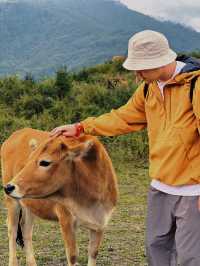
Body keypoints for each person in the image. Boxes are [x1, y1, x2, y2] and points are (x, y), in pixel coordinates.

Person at [50, 30, 200, 266]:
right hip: (160, 185)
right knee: (156, 248)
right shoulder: (149, 88)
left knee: (190, 257)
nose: (137, 74)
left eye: (142, 68)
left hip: (193, 191)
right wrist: (81, 127)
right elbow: (123, 118)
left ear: (161, 60)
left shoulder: (195, 85)